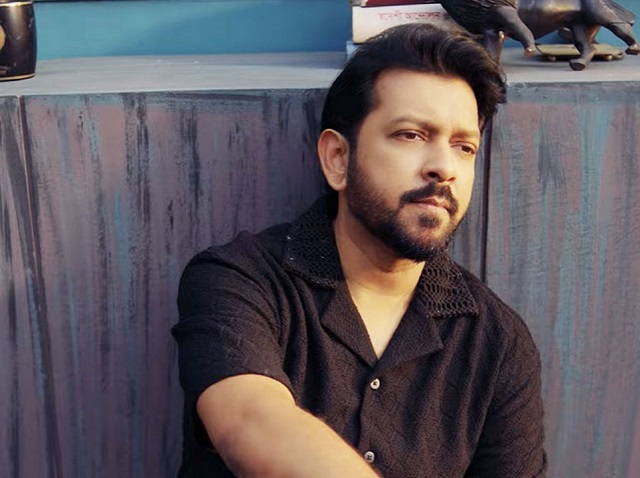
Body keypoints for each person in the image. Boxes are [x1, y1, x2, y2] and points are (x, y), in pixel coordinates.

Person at [172, 22, 546, 478]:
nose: (444, 167)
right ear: (338, 158)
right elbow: (251, 422)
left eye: (463, 146)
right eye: (411, 135)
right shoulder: (241, 279)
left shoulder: (497, 343)